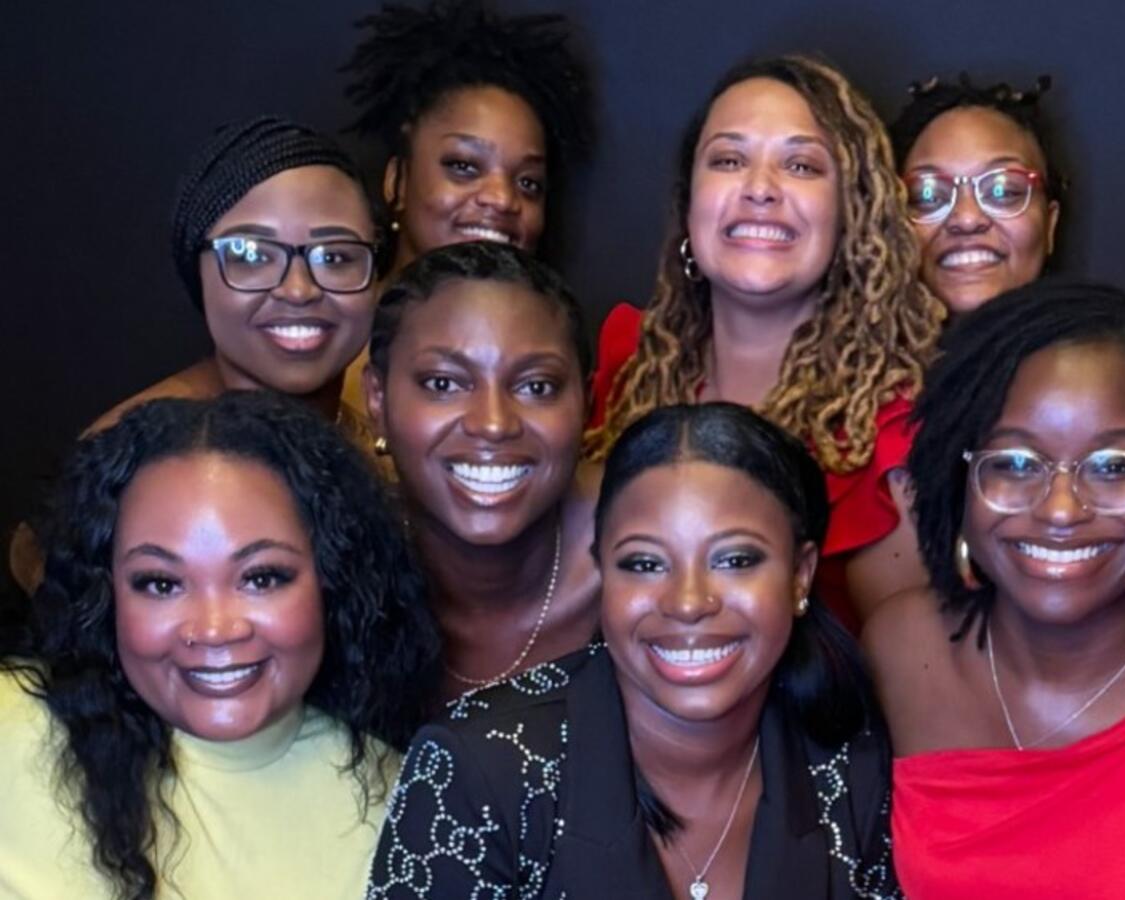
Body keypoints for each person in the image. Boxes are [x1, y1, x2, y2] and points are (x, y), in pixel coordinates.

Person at [366, 403, 898, 899]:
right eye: (644, 564)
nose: (688, 603)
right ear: (602, 574)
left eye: (735, 561)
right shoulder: (479, 769)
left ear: (800, 576)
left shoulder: (848, 761)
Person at [867, 281, 1125, 899]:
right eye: (1013, 463)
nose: (1061, 510)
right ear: (962, 482)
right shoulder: (898, 647)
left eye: (1115, 467)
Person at [0, 391, 438, 899]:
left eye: (262, 578)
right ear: (106, 594)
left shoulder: (410, 808)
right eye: (161, 584)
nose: (214, 629)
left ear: (331, 582)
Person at [584, 55, 945, 627]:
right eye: (728, 160)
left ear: (851, 215)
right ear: (689, 202)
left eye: (801, 166)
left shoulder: (895, 434)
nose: (760, 189)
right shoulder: (626, 364)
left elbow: (910, 678)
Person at [8, 116, 385, 594]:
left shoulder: (375, 426)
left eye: (334, 256)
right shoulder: (131, 464)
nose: (298, 289)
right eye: (251, 254)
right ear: (196, 270)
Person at [363, 241, 599, 702]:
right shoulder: (339, 568)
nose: (493, 423)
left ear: (586, 403)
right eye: (444, 384)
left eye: (536, 386)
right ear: (377, 399)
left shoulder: (647, 558)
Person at [344, 0, 590, 270]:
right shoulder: (325, 310)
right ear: (397, 182)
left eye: (529, 183)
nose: (502, 199)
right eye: (464, 166)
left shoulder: (559, 313)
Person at [889, 74, 1065, 314]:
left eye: (1002, 191)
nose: (967, 219)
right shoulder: (853, 351)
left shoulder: (1106, 347)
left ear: (1050, 226)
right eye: (929, 196)